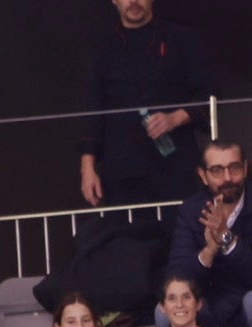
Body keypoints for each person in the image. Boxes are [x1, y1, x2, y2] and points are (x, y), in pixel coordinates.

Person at [77, 0, 212, 206]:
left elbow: (210, 95)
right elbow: (91, 109)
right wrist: (87, 168)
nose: (133, 2)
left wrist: (174, 118)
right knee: (125, 235)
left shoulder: (181, 38)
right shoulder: (102, 47)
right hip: (122, 169)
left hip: (175, 165)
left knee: (180, 234)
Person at [167, 140, 252, 327]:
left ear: (246, 168)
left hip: (251, 299)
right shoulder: (190, 210)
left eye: (235, 168)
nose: (228, 178)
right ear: (203, 176)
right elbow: (176, 277)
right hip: (208, 305)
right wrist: (208, 252)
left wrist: (227, 239)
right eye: (217, 171)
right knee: (164, 311)